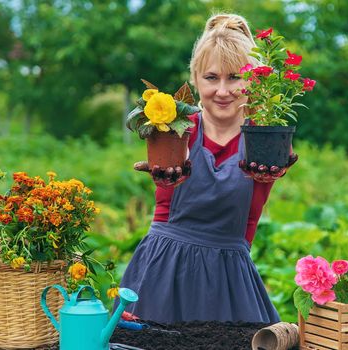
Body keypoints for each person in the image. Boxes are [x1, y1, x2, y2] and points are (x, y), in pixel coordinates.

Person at [118, 13, 297, 323]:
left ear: (253, 79)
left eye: (234, 77)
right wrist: (166, 172)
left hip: (229, 284)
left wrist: (275, 166)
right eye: (211, 78)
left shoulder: (265, 139)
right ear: (195, 79)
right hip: (163, 273)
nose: (223, 90)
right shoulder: (177, 131)